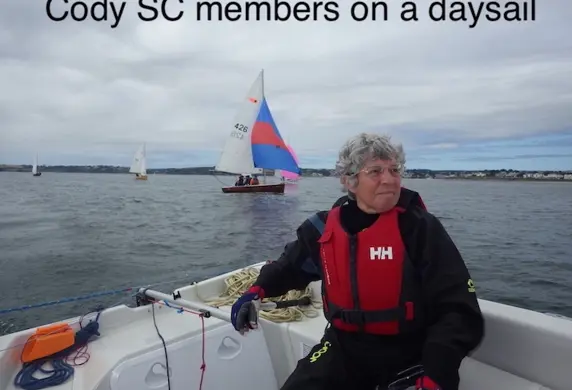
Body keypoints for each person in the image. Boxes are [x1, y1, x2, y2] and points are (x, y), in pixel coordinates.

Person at [230, 133, 484, 390]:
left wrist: (436, 374)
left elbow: (459, 310)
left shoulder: (419, 229)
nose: (389, 179)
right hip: (343, 346)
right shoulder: (322, 228)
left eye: (394, 170)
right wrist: (256, 291)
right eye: (375, 171)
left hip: (411, 353)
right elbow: (290, 267)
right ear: (349, 180)